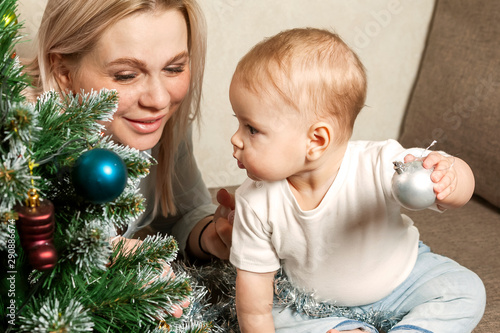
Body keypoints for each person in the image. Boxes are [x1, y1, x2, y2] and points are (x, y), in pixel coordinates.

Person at [229, 28, 485, 333]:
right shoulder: (255, 201)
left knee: (465, 289)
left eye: (251, 129)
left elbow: (454, 182)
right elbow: (254, 295)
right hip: (314, 305)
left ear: (316, 140)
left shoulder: (379, 163)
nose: (236, 139)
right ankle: (344, 328)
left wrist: (452, 179)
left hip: (401, 280)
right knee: (271, 313)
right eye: (238, 123)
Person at [26, 0, 235, 315]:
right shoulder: (21, 140)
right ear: (63, 71)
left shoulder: (160, 128)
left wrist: (211, 234)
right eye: (126, 75)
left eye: (174, 68)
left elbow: (180, 212)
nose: (159, 99)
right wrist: (99, 254)